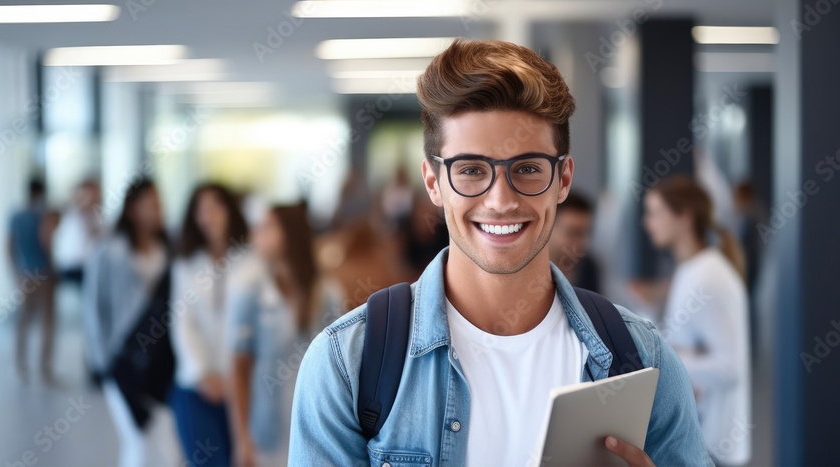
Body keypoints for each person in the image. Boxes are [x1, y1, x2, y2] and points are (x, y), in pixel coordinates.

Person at [289, 39, 711, 466]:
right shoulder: (348, 363)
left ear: (563, 178)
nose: (501, 200)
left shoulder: (642, 360)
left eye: (527, 169)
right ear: (433, 183)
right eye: (471, 170)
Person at [642, 175, 751, 465]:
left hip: (714, 445)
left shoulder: (707, 276)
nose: (647, 222)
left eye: (654, 213)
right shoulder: (691, 270)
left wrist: (670, 358)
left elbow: (730, 368)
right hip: (698, 438)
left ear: (684, 217)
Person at [229, 203, 342, 467]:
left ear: (290, 233)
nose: (258, 234)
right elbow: (239, 370)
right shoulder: (251, 294)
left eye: (267, 227)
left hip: (316, 427)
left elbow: (339, 367)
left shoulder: (327, 294)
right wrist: (242, 439)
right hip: (267, 431)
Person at [83, 179, 182, 467]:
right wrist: (101, 359)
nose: (157, 210)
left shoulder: (169, 249)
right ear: (132, 209)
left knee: (164, 440)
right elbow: (94, 306)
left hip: (160, 359)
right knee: (137, 438)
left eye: (159, 203)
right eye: (150, 204)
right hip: (123, 357)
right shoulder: (109, 251)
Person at [167, 183, 252, 467]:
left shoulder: (252, 261)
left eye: (216, 206)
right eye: (201, 210)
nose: (209, 215)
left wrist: (233, 377)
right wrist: (203, 374)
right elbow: (183, 324)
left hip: (243, 384)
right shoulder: (185, 264)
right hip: (196, 385)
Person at [8, 178, 58, 386]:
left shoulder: (15, 217)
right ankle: (44, 369)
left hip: (25, 274)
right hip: (43, 272)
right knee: (47, 321)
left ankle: (21, 367)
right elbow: (46, 242)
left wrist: (16, 273)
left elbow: (8, 247)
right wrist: (53, 269)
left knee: (24, 321)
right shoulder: (42, 216)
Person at [548, 191, 602, 293]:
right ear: (548, 229)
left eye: (585, 233)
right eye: (573, 233)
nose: (582, 243)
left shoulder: (588, 268)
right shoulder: (523, 272)